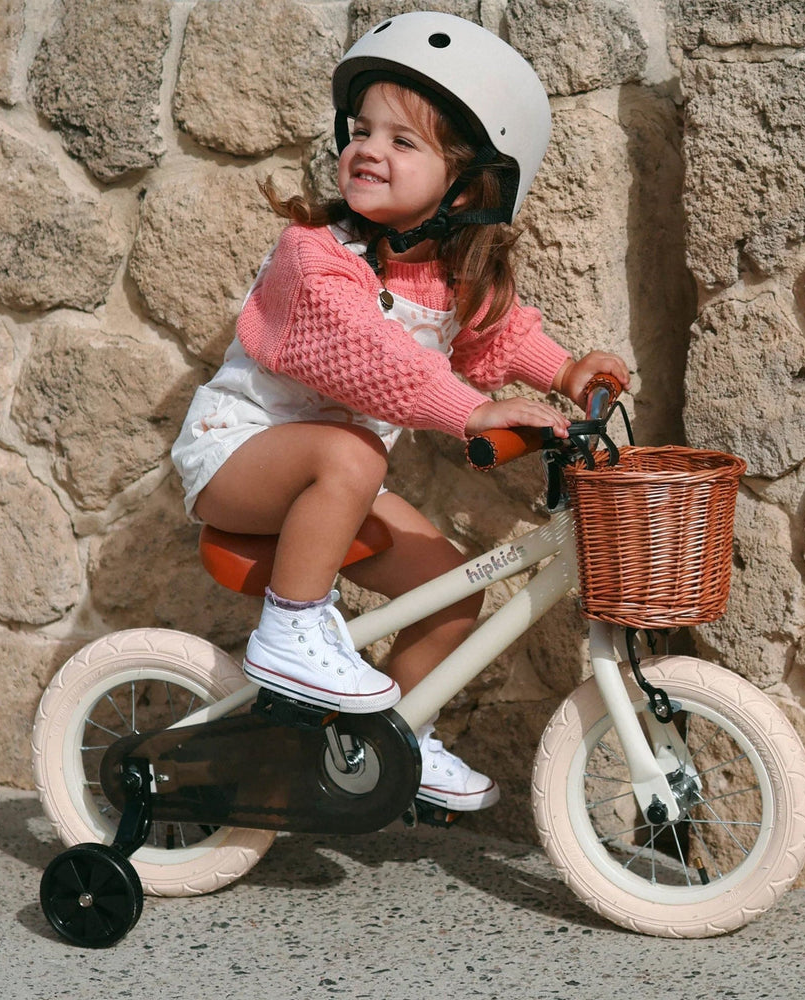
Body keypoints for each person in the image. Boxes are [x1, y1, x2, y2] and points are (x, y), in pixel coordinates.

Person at [171, 12, 630, 812]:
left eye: (401, 140)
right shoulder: (314, 257)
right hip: (237, 457)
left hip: (334, 476)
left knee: (452, 589)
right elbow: (371, 355)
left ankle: (393, 740)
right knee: (352, 451)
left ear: (468, 186)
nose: (368, 149)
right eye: (361, 131)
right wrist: (472, 414)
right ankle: (290, 631)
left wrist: (564, 370)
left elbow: (495, 336)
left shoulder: (450, 275)